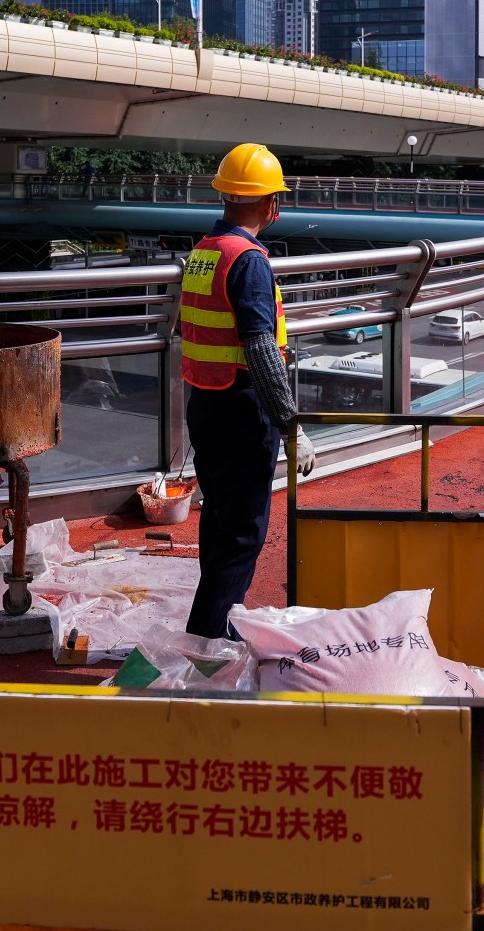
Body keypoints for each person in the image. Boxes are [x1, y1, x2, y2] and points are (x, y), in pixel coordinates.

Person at [179, 143, 298, 640]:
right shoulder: (249, 261)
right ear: (271, 204)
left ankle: (215, 632)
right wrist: (292, 424)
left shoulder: (204, 253)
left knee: (220, 525)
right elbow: (261, 349)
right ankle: (208, 644)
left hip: (205, 404)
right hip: (242, 411)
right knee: (244, 534)